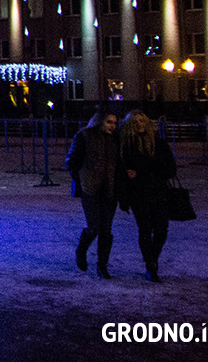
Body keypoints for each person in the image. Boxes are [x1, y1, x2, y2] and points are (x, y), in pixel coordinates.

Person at [117, 110, 177, 283]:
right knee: (145, 229)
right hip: (138, 194)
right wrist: (126, 174)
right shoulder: (126, 146)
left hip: (159, 192)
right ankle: (151, 265)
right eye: (135, 122)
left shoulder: (159, 144)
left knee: (161, 230)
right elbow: (121, 169)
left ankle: (152, 259)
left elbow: (170, 170)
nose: (139, 125)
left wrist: (147, 169)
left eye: (142, 121)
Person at [65, 108, 119, 277]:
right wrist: (81, 177)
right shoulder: (85, 136)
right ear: (100, 121)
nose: (112, 126)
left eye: (115, 122)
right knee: (94, 226)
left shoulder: (116, 139)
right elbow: (72, 161)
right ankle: (81, 250)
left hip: (109, 188)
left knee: (106, 229)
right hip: (90, 188)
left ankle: (102, 265)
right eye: (109, 122)